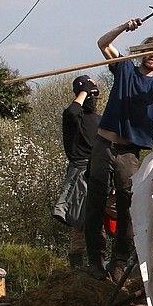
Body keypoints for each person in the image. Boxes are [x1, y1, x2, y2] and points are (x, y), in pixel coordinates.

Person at [83, 19, 153, 281]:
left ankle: (119, 261)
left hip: (129, 152)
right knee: (95, 202)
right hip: (104, 144)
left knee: (127, 205)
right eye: (148, 52)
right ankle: (95, 259)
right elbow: (103, 43)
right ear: (140, 53)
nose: (152, 57)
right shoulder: (125, 69)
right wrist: (123, 27)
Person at [54, 75, 100, 268]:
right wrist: (84, 90)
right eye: (90, 95)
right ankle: (77, 265)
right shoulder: (73, 118)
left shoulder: (99, 120)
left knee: (100, 219)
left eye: (96, 94)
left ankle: (99, 261)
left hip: (99, 170)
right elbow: (73, 111)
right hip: (80, 170)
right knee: (80, 219)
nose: (93, 98)